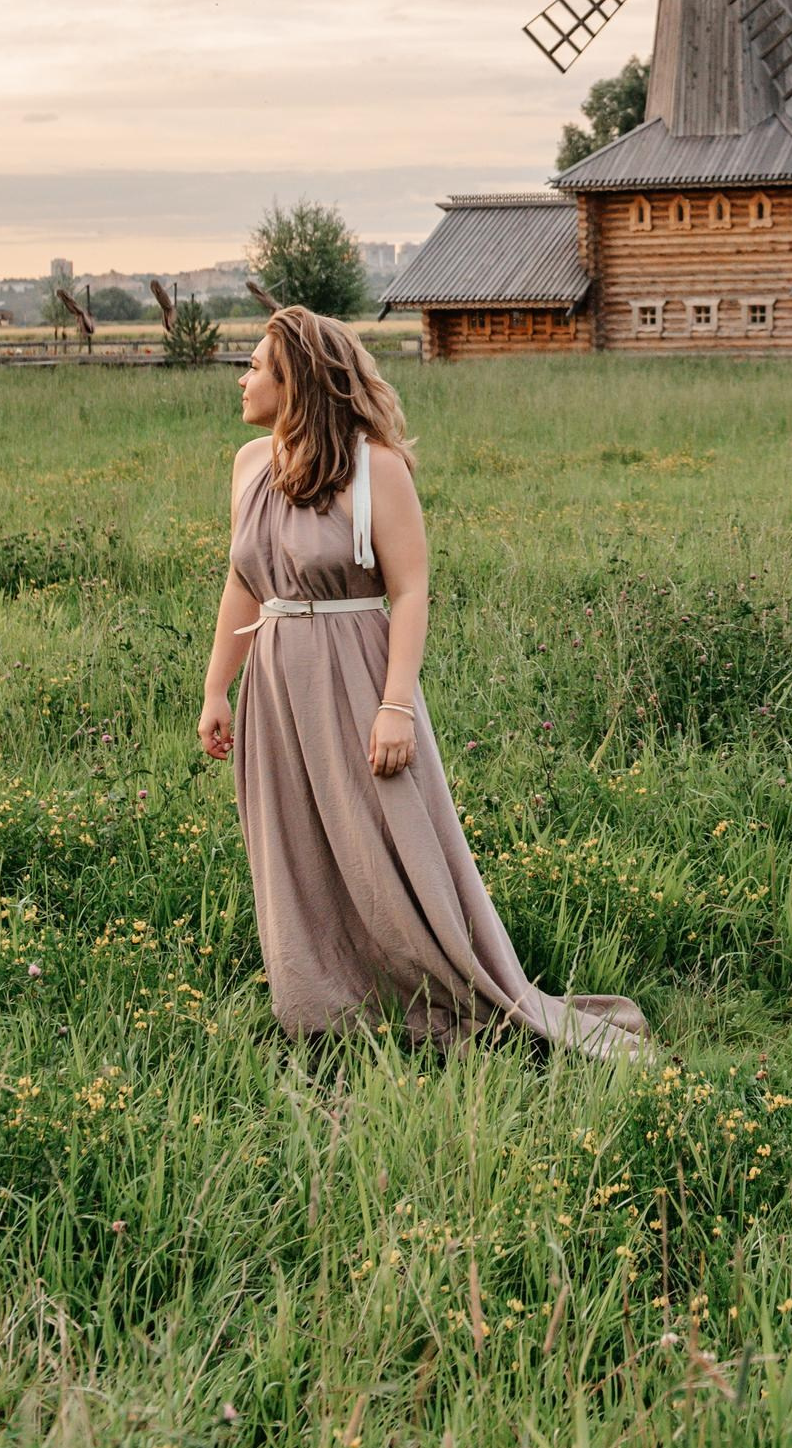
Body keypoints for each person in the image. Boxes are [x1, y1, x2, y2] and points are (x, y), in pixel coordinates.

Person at [197, 306, 648, 1059]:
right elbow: (243, 582)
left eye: (254, 365)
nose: (242, 379)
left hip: (356, 668)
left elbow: (409, 589)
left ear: (296, 379)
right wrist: (218, 687)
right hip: (275, 676)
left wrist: (395, 706)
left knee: (388, 836)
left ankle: (444, 987)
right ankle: (324, 1003)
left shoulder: (377, 468)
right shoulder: (248, 463)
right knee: (294, 840)